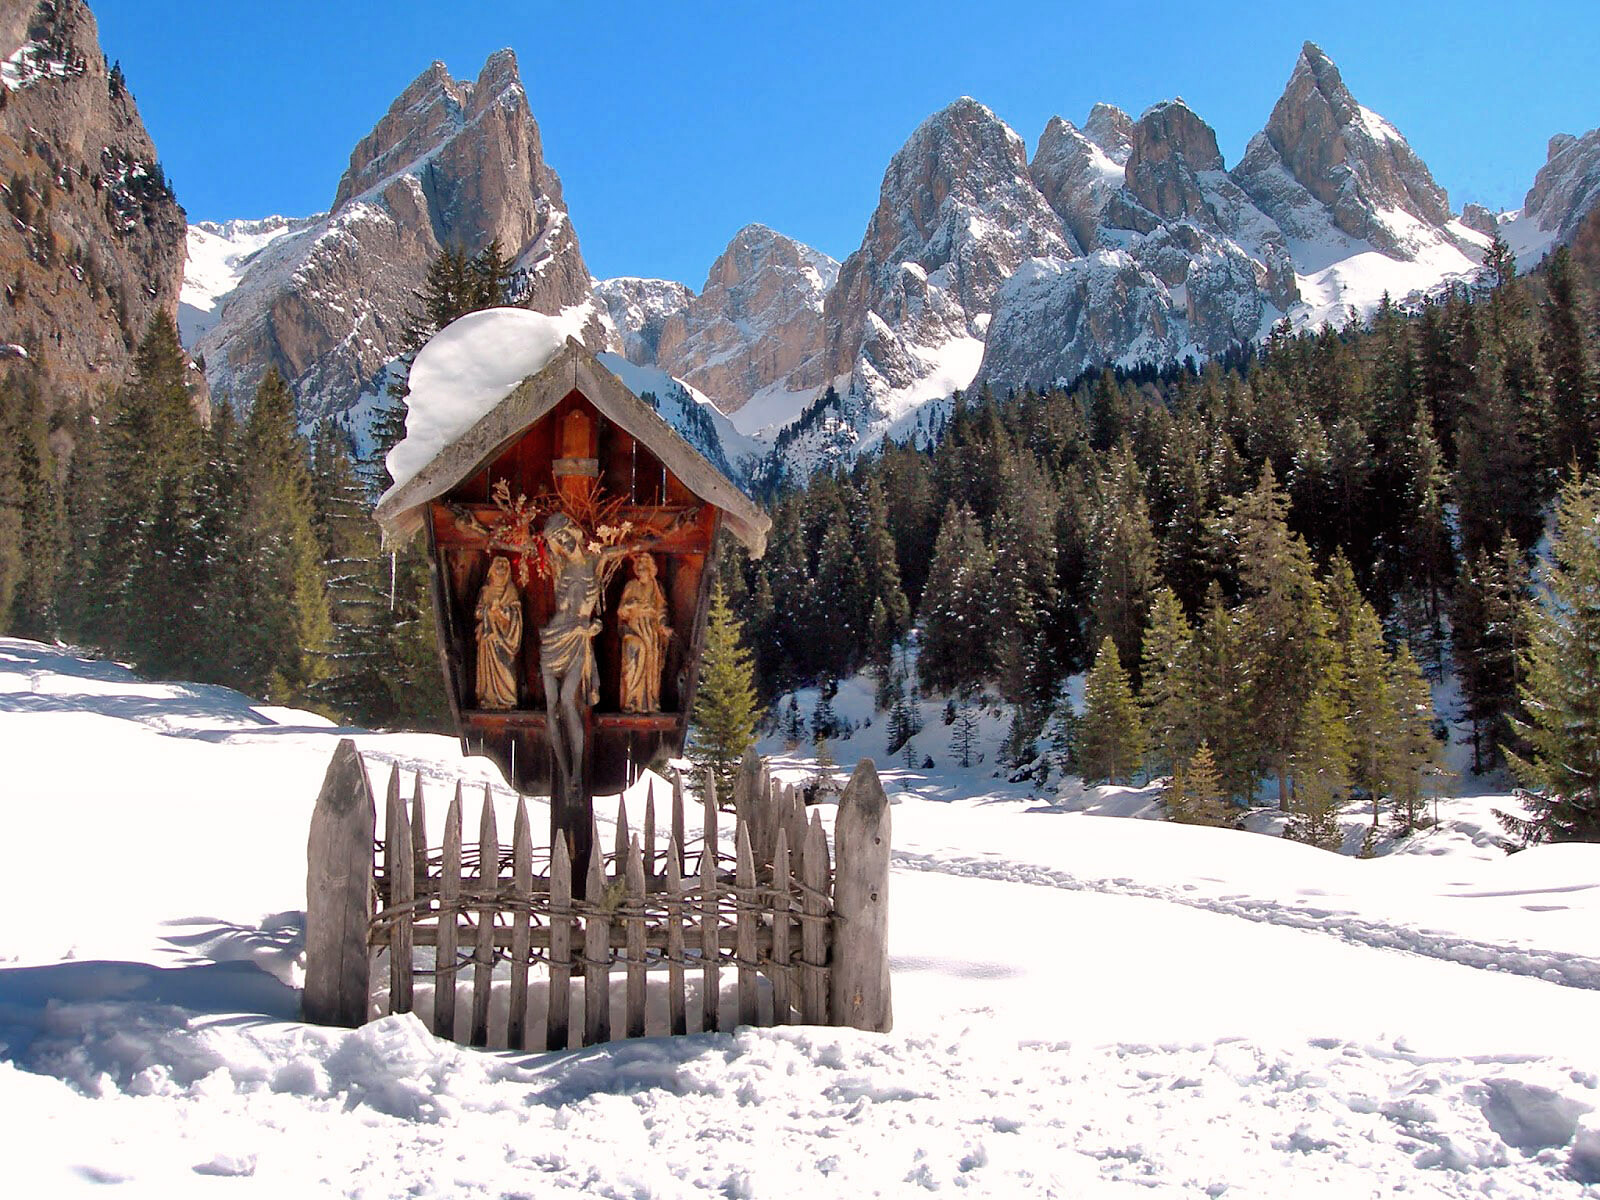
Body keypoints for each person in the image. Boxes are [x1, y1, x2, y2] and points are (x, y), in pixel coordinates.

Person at [618, 553, 671, 712]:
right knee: (634, 660)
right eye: (639, 565)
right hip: (634, 628)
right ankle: (631, 699)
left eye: (644, 565)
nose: (641, 568)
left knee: (651, 664)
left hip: (651, 629)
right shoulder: (631, 586)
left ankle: (650, 701)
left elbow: (662, 610)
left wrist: (662, 624)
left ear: (650, 568)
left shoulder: (656, 586)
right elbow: (621, 612)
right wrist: (629, 606)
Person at [473, 556, 522, 709]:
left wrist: (502, 611)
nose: (501, 568)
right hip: (488, 638)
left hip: (505, 638)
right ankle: (489, 698)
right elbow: (478, 613)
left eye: (504, 565)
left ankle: (507, 699)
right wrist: (488, 611)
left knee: (505, 667)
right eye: (498, 565)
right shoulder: (485, 591)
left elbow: (516, 614)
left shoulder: (511, 590)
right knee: (488, 671)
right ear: (491, 570)